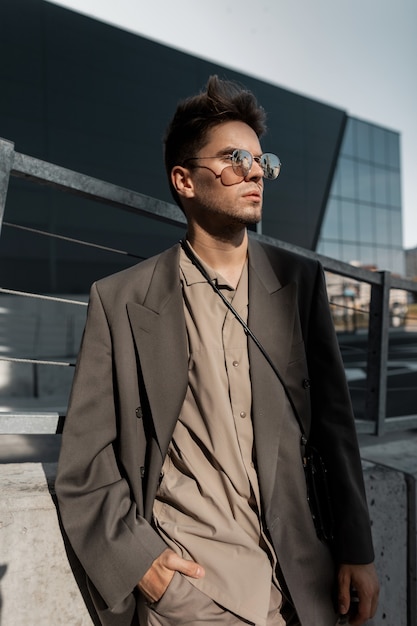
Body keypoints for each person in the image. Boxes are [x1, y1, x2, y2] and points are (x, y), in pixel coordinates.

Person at [55, 75, 379, 626]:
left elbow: (334, 425)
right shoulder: (121, 300)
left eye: (260, 160)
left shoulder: (299, 282)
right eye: (233, 158)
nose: (255, 172)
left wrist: (358, 548)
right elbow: (85, 462)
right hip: (195, 595)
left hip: (306, 582)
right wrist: (143, 566)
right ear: (184, 180)